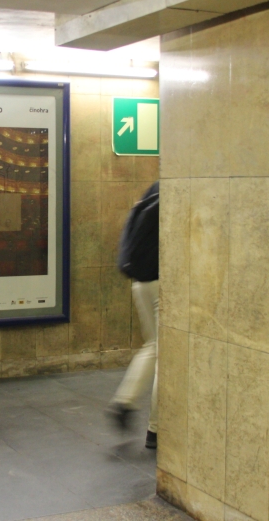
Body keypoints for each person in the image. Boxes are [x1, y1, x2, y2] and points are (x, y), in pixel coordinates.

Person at [108, 181, 160, 449]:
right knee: (168, 356)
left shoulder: (154, 189)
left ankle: (125, 400)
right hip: (162, 282)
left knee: (154, 345)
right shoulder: (177, 189)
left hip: (140, 281)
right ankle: (157, 429)